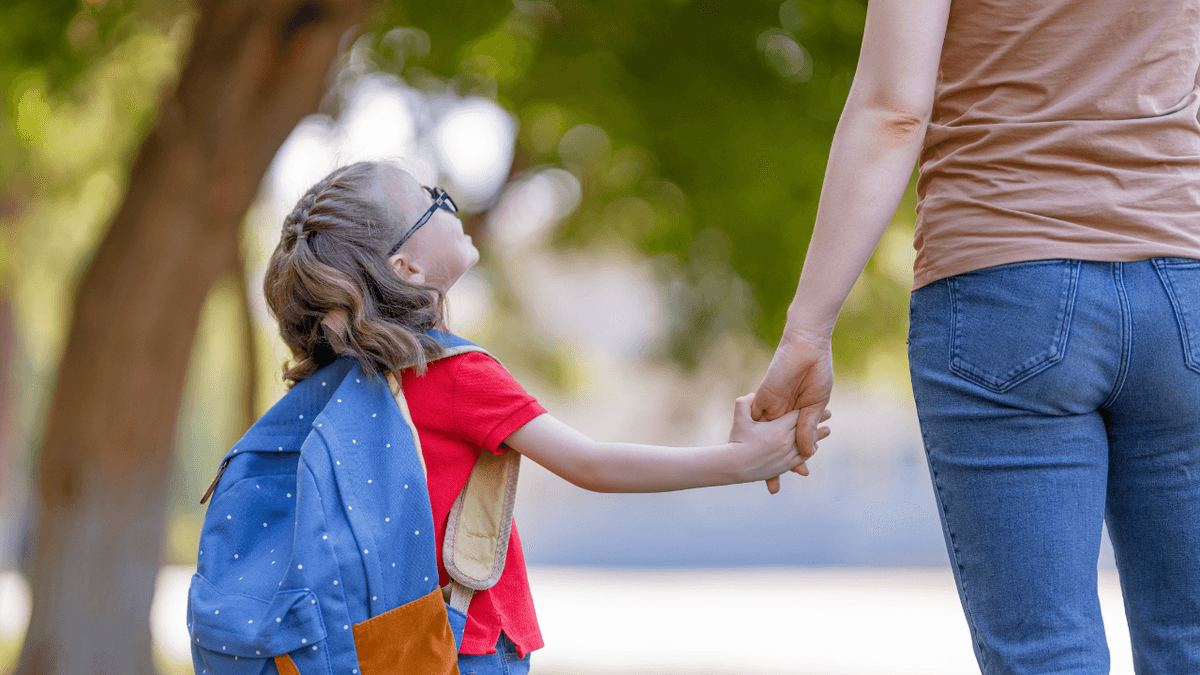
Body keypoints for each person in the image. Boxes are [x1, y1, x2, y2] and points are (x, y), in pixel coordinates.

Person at [752, 0, 1200, 672]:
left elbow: (893, 111)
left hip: (1002, 286)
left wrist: (808, 330)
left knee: (1047, 652)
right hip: (1184, 285)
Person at [261, 160, 830, 674]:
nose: (448, 202)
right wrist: (741, 462)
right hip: (466, 645)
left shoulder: (336, 382)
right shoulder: (451, 372)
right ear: (406, 265)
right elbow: (592, 464)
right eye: (428, 200)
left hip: (385, 645)